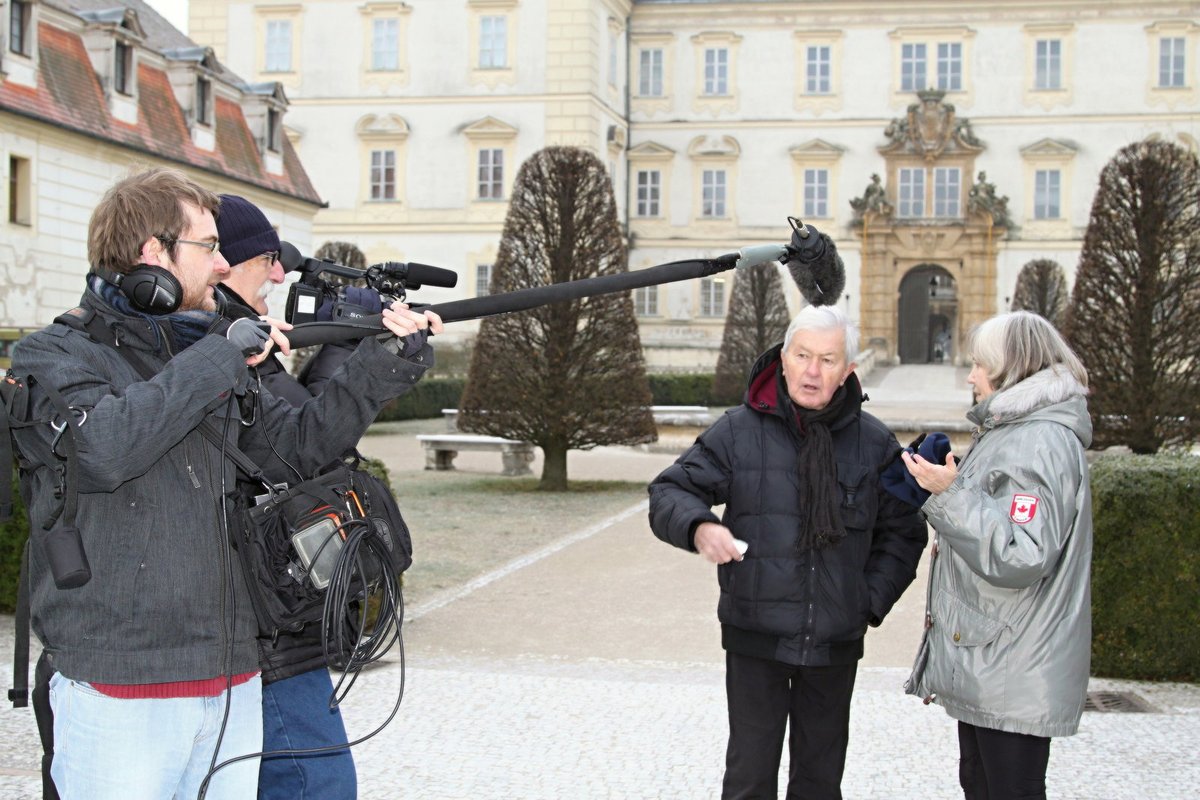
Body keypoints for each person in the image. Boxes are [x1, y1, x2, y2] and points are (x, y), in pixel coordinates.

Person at [9, 167, 442, 800]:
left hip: (231, 680)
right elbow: (101, 449)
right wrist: (221, 356)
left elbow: (296, 451)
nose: (221, 265)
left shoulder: (209, 349)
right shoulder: (53, 355)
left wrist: (382, 363)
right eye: (208, 247)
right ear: (152, 253)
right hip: (117, 683)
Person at [648, 304, 929, 799]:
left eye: (827, 359)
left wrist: (866, 601)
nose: (813, 371)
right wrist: (697, 527)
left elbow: (904, 531)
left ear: (848, 372)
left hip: (834, 644)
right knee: (749, 781)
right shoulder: (738, 431)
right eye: (802, 356)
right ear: (783, 358)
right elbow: (669, 491)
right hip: (756, 637)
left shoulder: (873, 442)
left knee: (819, 785)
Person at [901, 310, 1092, 800]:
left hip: (1014, 661)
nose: (970, 376)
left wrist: (949, 495)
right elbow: (1006, 511)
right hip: (996, 656)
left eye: (980, 365)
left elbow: (1022, 552)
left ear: (1013, 369)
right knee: (982, 785)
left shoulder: (1042, 438)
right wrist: (954, 479)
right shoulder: (1014, 429)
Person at [215, 194, 360, 798]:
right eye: (269, 259)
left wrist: (342, 347)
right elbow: (308, 445)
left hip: (271, 624)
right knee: (318, 784)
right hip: (258, 627)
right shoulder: (219, 345)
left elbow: (301, 431)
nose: (280, 274)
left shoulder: (231, 337)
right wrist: (346, 344)